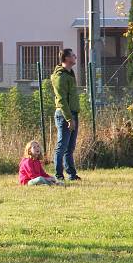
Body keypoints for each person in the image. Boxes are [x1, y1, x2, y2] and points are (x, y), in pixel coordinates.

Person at [51, 48, 82, 181]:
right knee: (62, 146)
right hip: (64, 115)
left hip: (73, 113)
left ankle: (71, 174)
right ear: (67, 58)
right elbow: (62, 99)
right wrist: (69, 118)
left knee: (70, 147)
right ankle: (58, 175)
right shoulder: (60, 77)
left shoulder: (70, 73)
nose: (75, 56)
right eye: (73, 55)